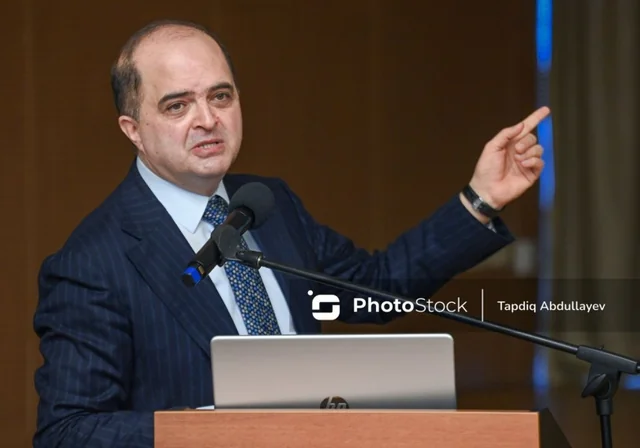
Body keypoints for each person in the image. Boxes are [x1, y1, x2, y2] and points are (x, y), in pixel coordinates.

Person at [32, 19, 550, 448]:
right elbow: (67, 430)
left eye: (220, 96)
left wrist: (480, 199)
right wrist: (215, 431)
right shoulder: (93, 261)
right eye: (177, 105)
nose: (207, 119)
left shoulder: (268, 203)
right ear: (133, 130)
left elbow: (379, 287)